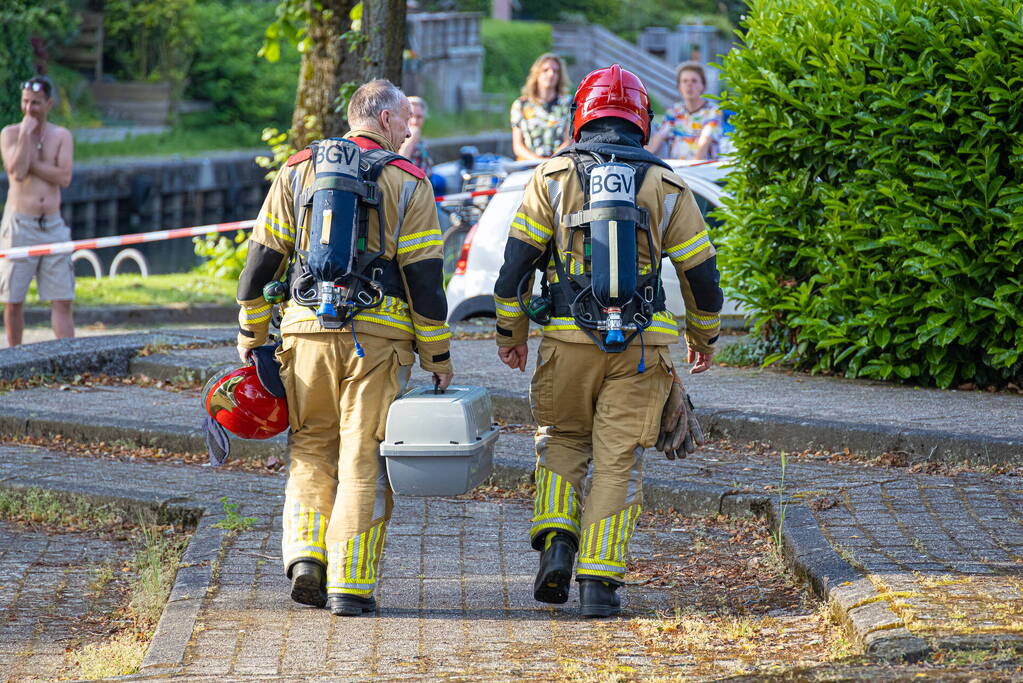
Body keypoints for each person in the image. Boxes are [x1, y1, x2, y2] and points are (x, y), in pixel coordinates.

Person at [493, 64, 723, 617]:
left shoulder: (551, 177)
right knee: (618, 459)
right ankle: (598, 583)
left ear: (581, 116)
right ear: (643, 120)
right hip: (640, 350)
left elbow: (514, 269)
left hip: (566, 343)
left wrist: (511, 333)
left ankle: (557, 541)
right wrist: (703, 337)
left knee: (562, 441)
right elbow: (703, 278)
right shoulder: (668, 185)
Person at [234, 79, 454, 617]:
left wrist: (252, 334)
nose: (408, 132)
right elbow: (425, 279)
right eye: (404, 122)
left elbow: (260, 263)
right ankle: (350, 585)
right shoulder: (409, 181)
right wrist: (437, 355)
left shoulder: (296, 169)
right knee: (363, 457)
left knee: (311, 448)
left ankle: (306, 558)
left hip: (304, 332)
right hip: (377, 342)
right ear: (384, 119)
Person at [0, 76, 75, 347]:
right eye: (26, 102)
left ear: (49, 104)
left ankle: (67, 354)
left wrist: (32, 164)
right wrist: (25, 135)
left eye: (36, 103)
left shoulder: (61, 135)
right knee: (13, 299)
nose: (29, 108)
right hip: (20, 224)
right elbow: (18, 172)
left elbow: (64, 177)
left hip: (52, 224)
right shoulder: (10, 134)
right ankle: (16, 356)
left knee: (63, 298)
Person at [644, 61, 722, 161]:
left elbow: (705, 141)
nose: (689, 85)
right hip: (677, 168)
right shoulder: (674, 111)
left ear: (703, 86)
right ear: (679, 87)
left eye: (694, 81)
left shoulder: (713, 112)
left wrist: (692, 165)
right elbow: (656, 141)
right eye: (685, 81)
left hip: (703, 167)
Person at [510, 53, 573, 161]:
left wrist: (549, 162)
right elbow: (518, 146)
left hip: (558, 163)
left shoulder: (569, 104)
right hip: (527, 164)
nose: (551, 74)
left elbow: (569, 141)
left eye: (555, 71)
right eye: (545, 70)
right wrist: (538, 161)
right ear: (536, 73)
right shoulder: (521, 105)